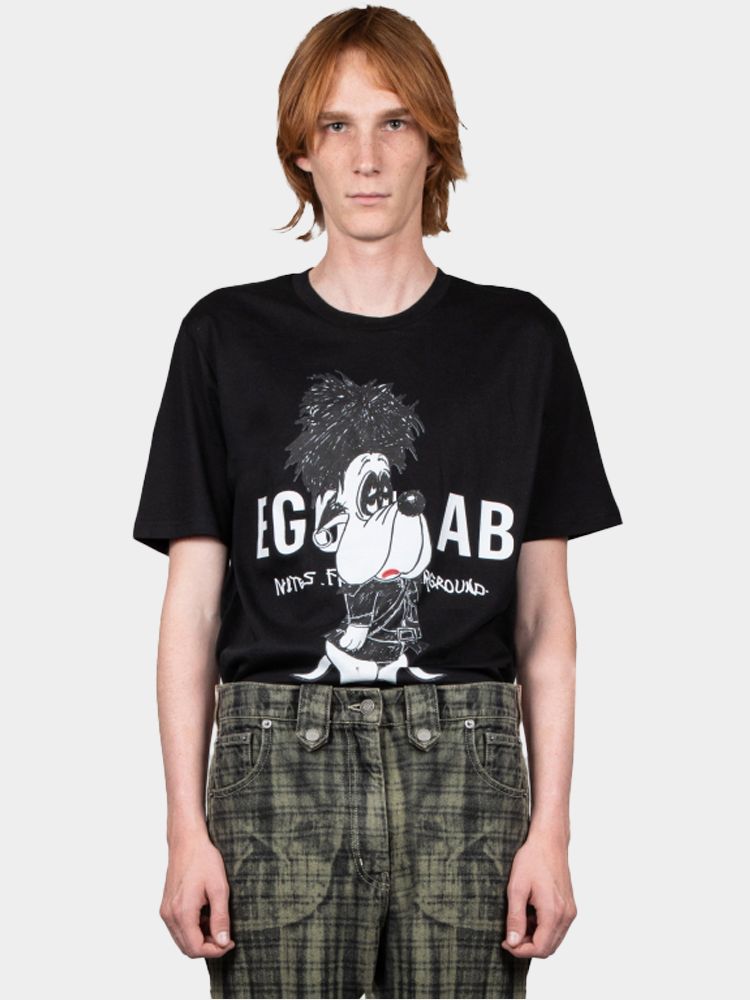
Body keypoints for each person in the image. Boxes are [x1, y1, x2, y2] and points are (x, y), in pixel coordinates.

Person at [132, 7, 623, 998]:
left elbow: (545, 620)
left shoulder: (520, 342)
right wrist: (185, 829)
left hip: (468, 767)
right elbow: (191, 610)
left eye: (395, 122)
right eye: (336, 125)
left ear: (433, 145)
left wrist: (553, 830)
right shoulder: (225, 338)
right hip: (277, 767)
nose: (366, 157)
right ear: (300, 152)